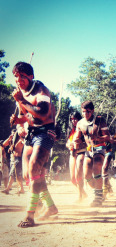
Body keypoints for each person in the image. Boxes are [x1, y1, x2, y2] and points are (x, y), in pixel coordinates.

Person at [10, 62, 58, 228]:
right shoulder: (21, 93)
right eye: (15, 77)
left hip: (46, 132)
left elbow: (43, 114)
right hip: (32, 134)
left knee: (33, 168)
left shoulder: (42, 90)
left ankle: (30, 216)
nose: (18, 80)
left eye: (21, 76)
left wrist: (21, 100)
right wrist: (18, 120)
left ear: (30, 76)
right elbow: (29, 116)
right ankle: (51, 207)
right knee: (28, 176)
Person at [74, 100, 110, 207]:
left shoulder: (99, 120)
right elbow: (78, 136)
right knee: (87, 175)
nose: (86, 114)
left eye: (88, 112)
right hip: (89, 150)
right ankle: (100, 191)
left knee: (96, 170)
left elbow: (108, 137)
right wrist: (76, 141)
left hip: (99, 148)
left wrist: (98, 138)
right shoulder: (80, 123)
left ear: (93, 111)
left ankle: (98, 198)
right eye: (84, 111)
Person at [66, 111, 87, 202]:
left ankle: (80, 196)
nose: (74, 121)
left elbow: (88, 141)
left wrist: (80, 143)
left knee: (78, 175)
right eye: (72, 119)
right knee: (73, 179)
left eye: (75, 119)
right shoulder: (70, 129)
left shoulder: (83, 127)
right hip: (72, 153)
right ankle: (84, 194)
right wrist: (69, 145)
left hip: (81, 152)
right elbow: (67, 142)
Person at [1, 129, 25, 195]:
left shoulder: (20, 140)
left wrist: (23, 139)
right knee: (18, 176)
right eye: (12, 134)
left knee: (12, 174)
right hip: (12, 159)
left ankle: (7, 189)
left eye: (14, 134)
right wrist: (9, 138)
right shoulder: (11, 141)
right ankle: (22, 189)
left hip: (18, 159)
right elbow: (3, 145)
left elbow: (25, 143)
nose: (13, 135)